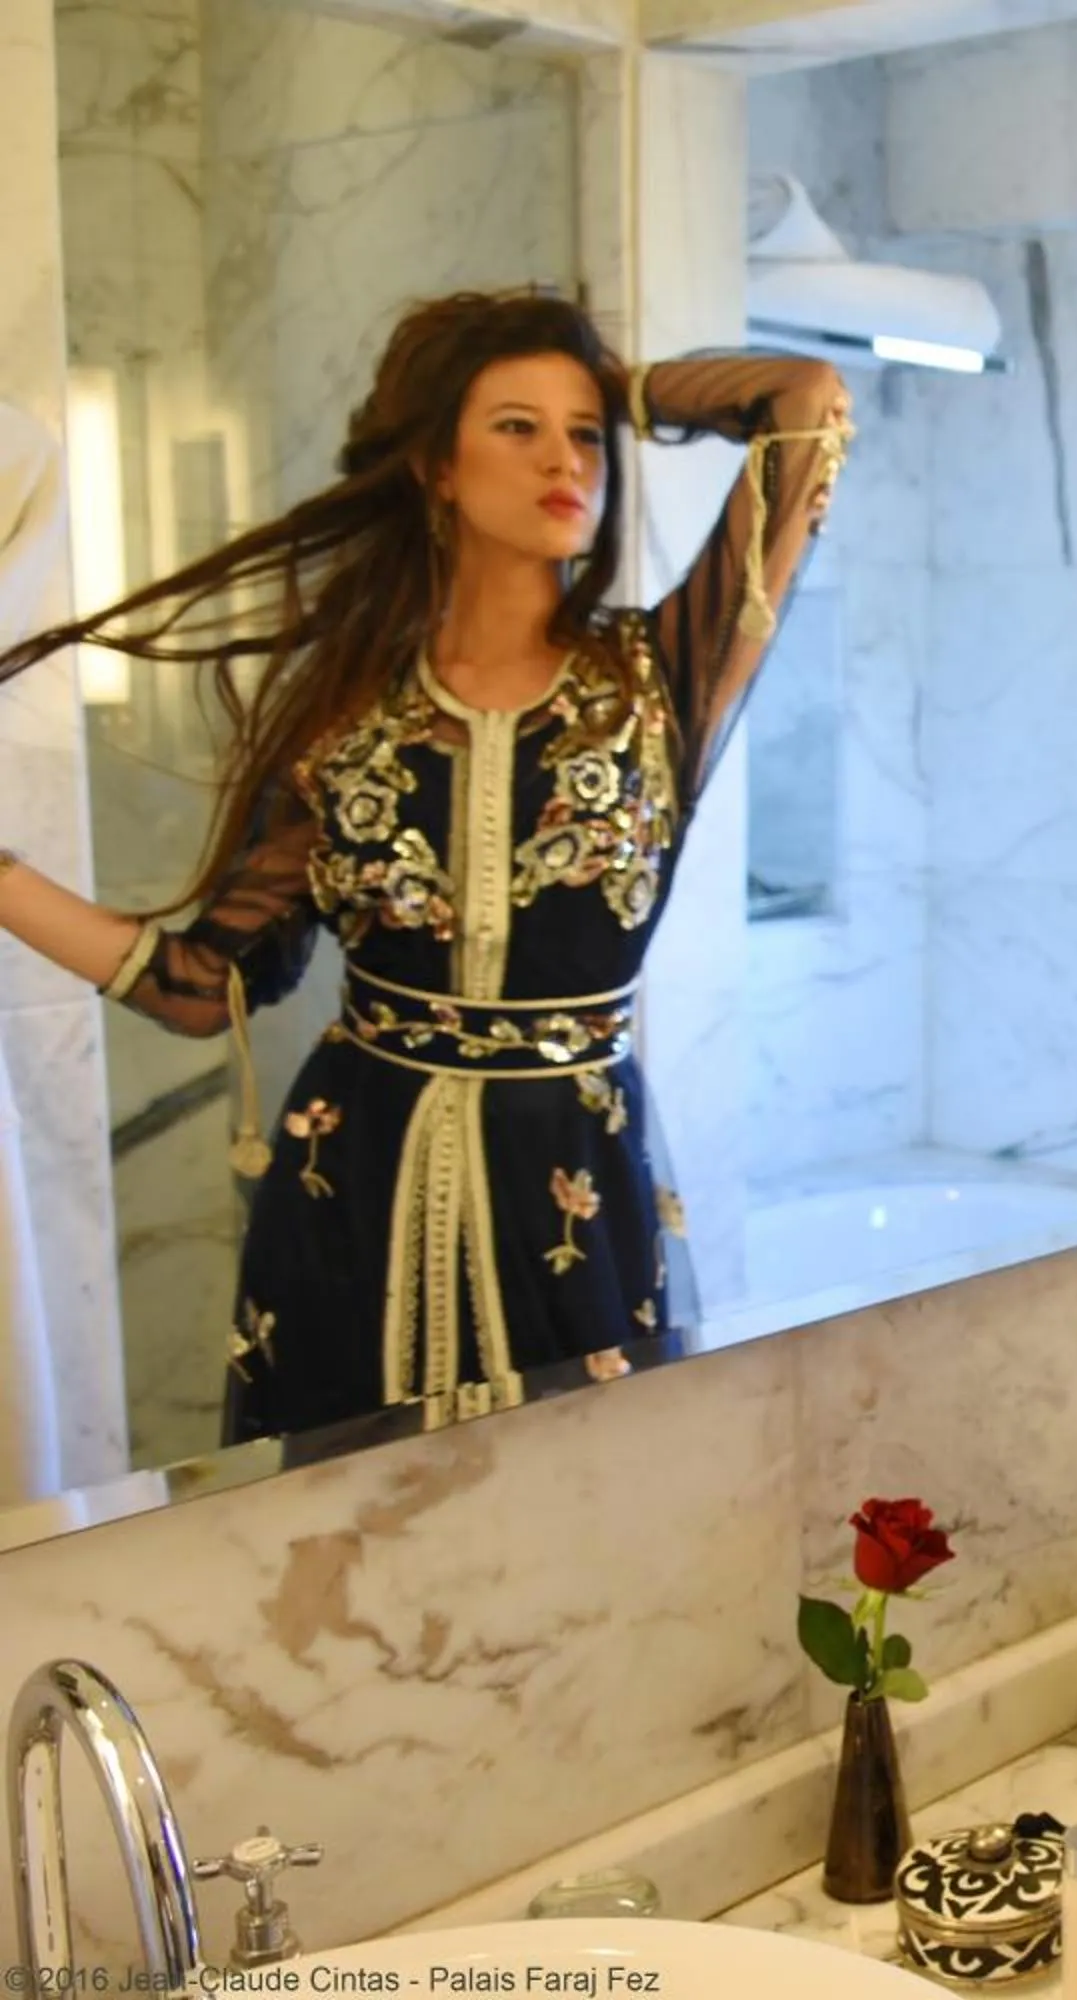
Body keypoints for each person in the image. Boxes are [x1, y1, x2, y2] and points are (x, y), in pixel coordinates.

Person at [0, 291, 851, 1445]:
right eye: (516, 426)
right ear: (435, 468)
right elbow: (205, 984)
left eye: (585, 432)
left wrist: (626, 387)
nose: (566, 458)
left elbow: (801, 402)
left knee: (583, 1519)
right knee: (348, 1555)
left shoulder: (657, 683)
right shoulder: (347, 712)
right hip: (351, 1190)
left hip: (572, 1184)